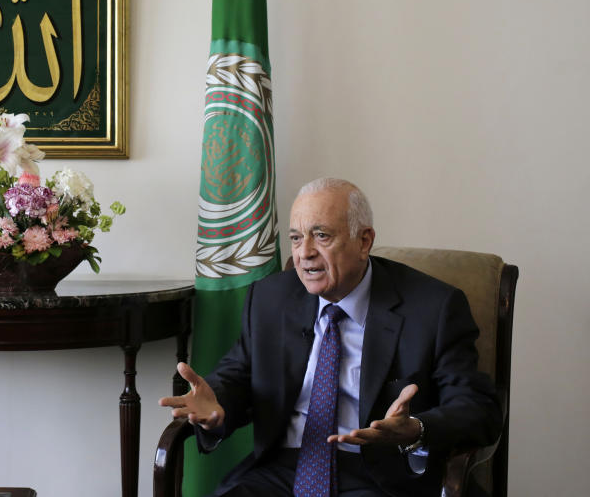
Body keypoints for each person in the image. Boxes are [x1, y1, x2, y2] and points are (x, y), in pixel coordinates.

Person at [160, 178, 502, 497]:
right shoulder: (270, 298)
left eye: (321, 235)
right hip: (281, 470)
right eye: (296, 238)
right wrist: (216, 403)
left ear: (364, 241)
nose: (304, 253)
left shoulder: (433, 307)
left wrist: (415, 428)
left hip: (381, 476)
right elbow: (239, 374)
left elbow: (479, 410)